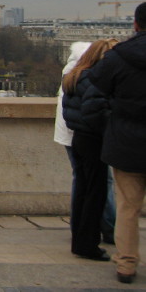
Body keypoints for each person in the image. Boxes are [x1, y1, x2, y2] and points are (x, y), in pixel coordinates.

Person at [87, 1, 146, 285]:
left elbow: (97, 82)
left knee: (127, 207)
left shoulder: (121, 55)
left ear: (135, 24)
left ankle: (125, 263)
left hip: (128, 141)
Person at [61, 39, 117, 260]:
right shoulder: (95, 80)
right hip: (93, 140)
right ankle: (88, 243)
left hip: (78, 138)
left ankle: (80, 237)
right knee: (96, 193)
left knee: (83, 190)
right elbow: (96, 112)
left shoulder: (75, 76)